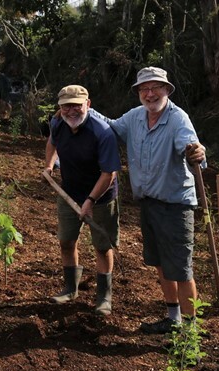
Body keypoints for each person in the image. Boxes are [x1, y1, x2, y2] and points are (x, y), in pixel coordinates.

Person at [90, 66, 206, 333]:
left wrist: (195, 153)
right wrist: (83, 109)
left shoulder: (178, 119)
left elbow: (191, 148)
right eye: (144, 89)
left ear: (167, 90)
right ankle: (173, 318)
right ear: (139, 93)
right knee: (160, 263)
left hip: (175, 205)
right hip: (148, 203)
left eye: (155, 88)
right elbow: (109, 126)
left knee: (180, 267)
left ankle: (190, 333)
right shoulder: (135, 118)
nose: (150, 93)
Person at [44, 85, 121, 316]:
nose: (71, 110)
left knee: (102, 246)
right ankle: (70, 288)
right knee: (66, 241)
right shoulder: (58, 123)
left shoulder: (103, 132)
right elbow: (52, 142)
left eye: (76, 105)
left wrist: (90, 200)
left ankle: (104, 297)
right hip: (69, 192)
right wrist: (49, 164)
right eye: (66, 106)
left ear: (87, 104)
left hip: (101, 197)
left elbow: (109, 174)